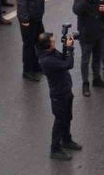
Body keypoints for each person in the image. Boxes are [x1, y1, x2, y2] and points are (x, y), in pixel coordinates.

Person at [37, 32, 82, 161]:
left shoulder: (50, 53)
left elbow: (62, 58)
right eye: (52, 41)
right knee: (59, 121)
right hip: (59, 95)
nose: (54, 42)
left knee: (67, 117)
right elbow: (68, 64)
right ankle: (55, 149)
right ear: (47, 45)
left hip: (66, 90)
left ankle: (66, 140)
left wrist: (65, 46)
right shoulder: (47, 60)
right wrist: (69, 48)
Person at [72, 0, 104, 97]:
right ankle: (85, 84)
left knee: (97, 58)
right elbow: (77, 10)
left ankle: (96, 78)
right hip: (86, 35)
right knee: (85, 60)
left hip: (98, 33)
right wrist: (86, 0)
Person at [17, 0, 46, 82]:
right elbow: (22, 1)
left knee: (39, 42)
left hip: (37, 16)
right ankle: (27, 71)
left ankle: (36, 66)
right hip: (28, 18)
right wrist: (24, 19)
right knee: (28, 45)